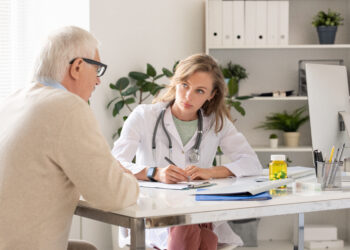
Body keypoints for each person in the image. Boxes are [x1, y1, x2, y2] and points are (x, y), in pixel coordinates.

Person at [0, 26, 139, 250]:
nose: (98, 81)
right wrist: (131, 180)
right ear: (77, 67)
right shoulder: (67, 106)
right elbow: (111, 195)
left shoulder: (13, 100)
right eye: (98, 70)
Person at [112, 53, 263, 250]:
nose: (188, 96)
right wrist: (154, 172)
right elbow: (113, 164)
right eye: (184, 85)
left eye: (199, 91)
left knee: (195, 228)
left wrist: (210, 172)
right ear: (175, 83)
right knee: (195, 233)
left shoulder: (216, 123)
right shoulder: (144, 116)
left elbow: (251, 163)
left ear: (211, 95)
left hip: (199, 210)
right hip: (156, 212)